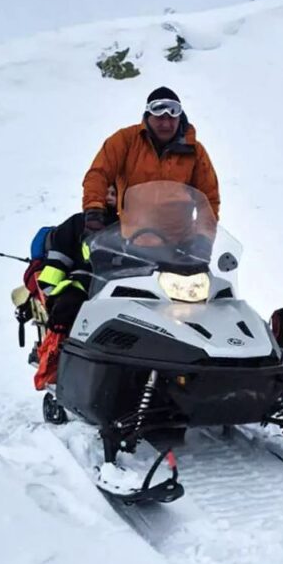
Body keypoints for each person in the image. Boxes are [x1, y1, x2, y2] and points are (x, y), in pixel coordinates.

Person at [82, 86, 220, 230]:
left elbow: (209, 198)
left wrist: (202, 239)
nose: (166, 124)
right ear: (148, 116)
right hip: (132, 239)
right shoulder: (125, 140)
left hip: (179, 244)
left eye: (172, 117)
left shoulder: (195, 151)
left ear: (180, 118)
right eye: (160, 117)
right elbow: (98, 174)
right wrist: (94, 211)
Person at [33, 186, 118, 390]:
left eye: (114, 193)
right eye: (105, 192)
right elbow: (58, 260)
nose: (108, 198)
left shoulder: (133, 224)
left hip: (124, 285)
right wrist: (51, 292)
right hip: (82, 283)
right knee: (67, 309)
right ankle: (56, 362)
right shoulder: (77, 223)